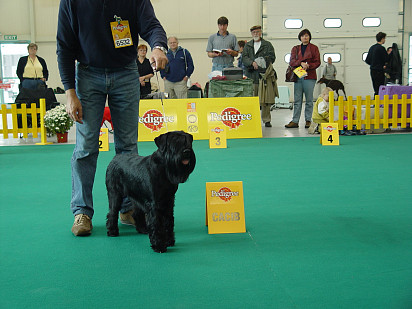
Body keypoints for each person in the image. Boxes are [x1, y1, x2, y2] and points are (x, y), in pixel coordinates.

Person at [57, 0, 168, 236]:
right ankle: (82, 211)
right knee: (86, 146)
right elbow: (64, 45)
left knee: (127, 146)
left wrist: (158, 46)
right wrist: (70, 92)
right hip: (88, 74)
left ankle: (128, 208)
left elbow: (151, 25)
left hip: (127, 73)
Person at [285, 29, 321, 129]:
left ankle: (308, 120)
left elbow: (318, 62)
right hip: (298, 76)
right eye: (303, 36)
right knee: (297, 99)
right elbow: (292, 62)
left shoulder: (314, 48)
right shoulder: (295, 48)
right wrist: (301, 63)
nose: (305, 37)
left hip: (309, 76)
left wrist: (308, 66)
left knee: (309, 100)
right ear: (300, 37)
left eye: (307, 36)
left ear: (309, 37)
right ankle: (295, 121)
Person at [242, 25, 276, 127]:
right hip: (251, 75)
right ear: (251, 34)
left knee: (265, 99)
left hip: (264, 76)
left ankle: (266, 120)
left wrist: (262, 61)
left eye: (257, 32)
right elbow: (244, 58)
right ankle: (253, 119)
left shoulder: (267, 45)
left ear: (261, 32)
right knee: (252, 98)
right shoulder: (247, 46)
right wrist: (252, 62)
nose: (256, 34)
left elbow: (272, 57)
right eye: (254, 32)